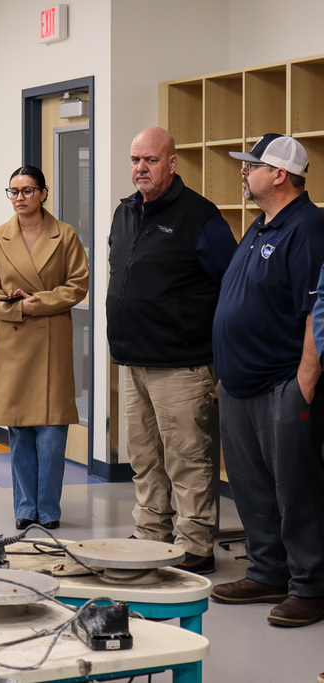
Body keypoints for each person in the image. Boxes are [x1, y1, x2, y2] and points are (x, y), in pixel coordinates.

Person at [106, 126, 237, 575]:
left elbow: (231, 286)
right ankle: (151, 533)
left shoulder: (200, 217)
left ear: (172, 163)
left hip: (182, 363)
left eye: (151, 160)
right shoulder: (124, 213)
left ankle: (195, 543)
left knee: (187, 457)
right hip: (132, 359)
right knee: (143, 456)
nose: (140, 168)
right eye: (135, 160)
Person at [212, 133, 324, 627]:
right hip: (239, 383)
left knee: (295, 489)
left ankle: (310, 586)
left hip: (282, 383)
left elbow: (314, 311)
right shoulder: (260, 226)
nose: (243, 171)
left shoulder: (310, 227)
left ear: (280, 174)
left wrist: (304, 380)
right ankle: (267, 572)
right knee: (252, 487)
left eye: (252, 164)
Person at [0, 165, 89, 531]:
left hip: (51, 338)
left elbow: (77, 286)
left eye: (27, 190)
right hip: (12, 338)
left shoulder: (65, 235)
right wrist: (15, 306)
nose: (20, 198)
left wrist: (37, 302)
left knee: (52, 430)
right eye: (14, 191)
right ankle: (25, 507)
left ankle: (49, 509)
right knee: (21, 429)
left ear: (43, 193)